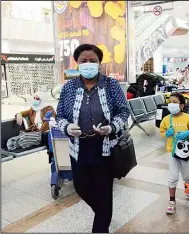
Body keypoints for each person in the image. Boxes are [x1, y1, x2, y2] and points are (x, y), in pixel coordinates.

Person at [55, 44, 130, 233]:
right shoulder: (69, 87)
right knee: (81, 187)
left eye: (92, 61)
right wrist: (68, 127)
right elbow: (60, 116)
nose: (88, 64)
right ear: (77, 63)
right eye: (83, 61)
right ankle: (104, 213)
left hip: (106, 149)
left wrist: (111, 127)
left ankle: (101, 225)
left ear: (99, 63)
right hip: (79, 149)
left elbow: (123, 112)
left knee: (104, 193)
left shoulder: (111, 85)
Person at [159, 92, 189, 215]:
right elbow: (162, 132)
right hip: (172, 152)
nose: (171, 104)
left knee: (187, 175)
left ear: (181, 105)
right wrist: (167, 134)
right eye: (170, 102)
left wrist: (188, 133)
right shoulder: (166, 119)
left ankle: (188, 190)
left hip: (185, 152)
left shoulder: (187, 117)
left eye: (175, 102)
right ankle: (172, 201)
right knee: (173, 177)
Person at [16, 92, 56, 162]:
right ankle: (52, 154)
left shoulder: (48, 108)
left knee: (48, 135)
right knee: (47, 136)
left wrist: (40, 132)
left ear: (42, 100)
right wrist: (19, 114)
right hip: (36, 135)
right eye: (34, 98)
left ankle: (53, 155)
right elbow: (23, 112)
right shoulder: (33, 109)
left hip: (45, 133)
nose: (35, 100)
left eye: (37, 99)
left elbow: (48, 122)